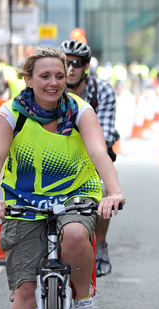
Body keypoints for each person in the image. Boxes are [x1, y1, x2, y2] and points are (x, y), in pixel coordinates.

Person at [0, 46, 125, 309]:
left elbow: (99, 151)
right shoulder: (11, 114)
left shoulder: (80, 111)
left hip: (75, 195)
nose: (53, 83)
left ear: (68, 77)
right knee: (24, 290)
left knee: (77, 234)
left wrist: (113, 192)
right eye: (44, 76)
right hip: (24, 201)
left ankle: (83, 299)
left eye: (60, 76)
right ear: (28, 79)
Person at [59, 39, 121, 278]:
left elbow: (102, 140)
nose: (70, 69)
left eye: (77, 63)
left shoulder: (102, 90)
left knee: (105, 189)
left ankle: (101, 243)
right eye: (66, 63)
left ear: (86, 67)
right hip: (54, 159)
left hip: (92, 158)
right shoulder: (51, 88)